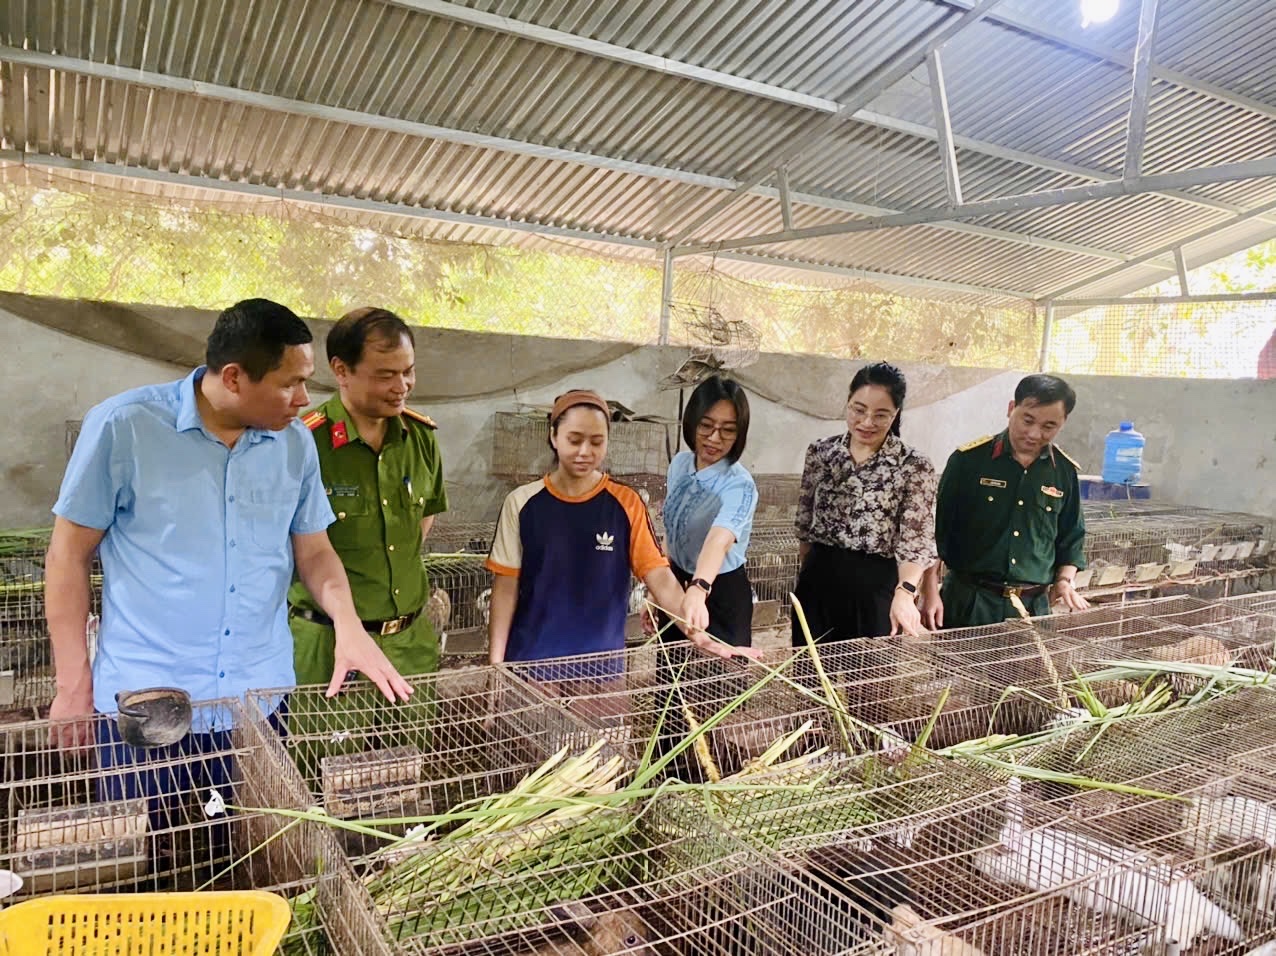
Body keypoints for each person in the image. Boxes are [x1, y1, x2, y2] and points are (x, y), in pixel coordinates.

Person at [45, 298, 410, 849]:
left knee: (249, 852)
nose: (304, 399)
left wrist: (349, 624)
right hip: (148, 702)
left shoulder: (294, 445)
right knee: (148, 863)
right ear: (235, 378)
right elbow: (67, 556)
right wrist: (73, 682)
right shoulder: (125, 428)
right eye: (290, 383)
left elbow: (314, 552)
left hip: (257, 699)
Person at [485, 389, 756, 677]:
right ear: (553, 436)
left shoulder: (625, 503)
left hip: (601, 666)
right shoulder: (522, 502)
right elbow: (505, 587)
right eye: (574, 440)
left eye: (597, 442)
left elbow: (661, 576)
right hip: (532, 661)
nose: (584, 452)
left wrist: (698, 634)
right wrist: (496, 666)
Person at [289, 307, 448, 685]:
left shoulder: (420, 438)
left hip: (409, 645)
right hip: (327, 647)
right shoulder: (303, 444)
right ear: (341, 370)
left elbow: (423, 519)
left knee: (412, 745)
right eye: (385, 375)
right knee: (328, 746)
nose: (402, 386)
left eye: (407, 371)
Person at [920, 373, 1090, 630]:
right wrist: (930, 592)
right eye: (1027, 420)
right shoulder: (968, 461)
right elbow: (936, 536)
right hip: (969, 601)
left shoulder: (1064, 472)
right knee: (958, 670)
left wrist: (1065, 581)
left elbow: (1071, 537)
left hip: (1033, 608)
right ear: (1011, 409)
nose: (1034, 434)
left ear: (1063, 423)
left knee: (1027, 672)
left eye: (1048, 426)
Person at [792, 362, 937, 644]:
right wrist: (806, 575)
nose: (867, 422)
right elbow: (805, 523)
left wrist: (905, 593)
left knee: (869, 681)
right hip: (818, 580)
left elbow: (916, 540)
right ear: (847, 403)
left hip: (876, 585)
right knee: (811, 676)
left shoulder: (913, 465)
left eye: (881, 414)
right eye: (859, 410)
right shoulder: (822, 452)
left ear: (895, 414)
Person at [660, 375, 757, 649]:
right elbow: (672, 529)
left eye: (728, 430)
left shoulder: (739, 484)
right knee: (672, 680)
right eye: (706, 426)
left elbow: (719, 539)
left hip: (719, 590)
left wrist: (699, 588)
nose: (715, 438)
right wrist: (660, 591)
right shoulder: (680, 464)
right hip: (678, 583)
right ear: (691, 423)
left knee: (719, 683)